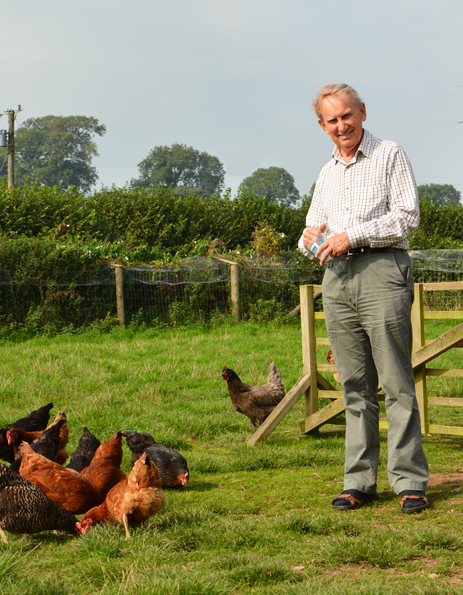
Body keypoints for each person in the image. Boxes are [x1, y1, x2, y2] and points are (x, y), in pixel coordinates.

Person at [298, 83, 429, 514]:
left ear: (363, 112)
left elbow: (407, 217)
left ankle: (409, 481)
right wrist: (309, 239)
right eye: (332, 120)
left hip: (381, 269)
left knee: (395, 381)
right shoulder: (327, 173)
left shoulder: (390, 154)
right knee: (354, 385)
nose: (342, 126)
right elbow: (313, 229)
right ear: (322, 125)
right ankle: (359, 482)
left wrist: (350, 235)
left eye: (347, 116)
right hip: (337, 278)